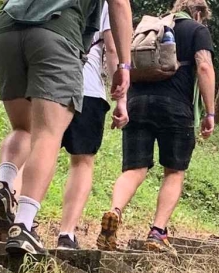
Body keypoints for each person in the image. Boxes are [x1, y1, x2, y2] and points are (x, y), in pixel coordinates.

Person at [0, 0, 133, 264]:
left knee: (23, 128)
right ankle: (22, 225)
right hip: (57, 34)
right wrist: (124, 66)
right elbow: (119, 4)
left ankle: (3, 182)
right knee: (47, 134)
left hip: (6, 31)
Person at [96, 0, 216, 254]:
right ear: (198, 12)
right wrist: (210, 112)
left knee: (134, 168)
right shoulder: (196, 29)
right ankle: (157, 232)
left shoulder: (150, 27)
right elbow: (204, 66)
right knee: (174, 172)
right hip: (175, 107)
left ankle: (115, 210)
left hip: (138, 102)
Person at [54, 2, 128, 249]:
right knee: (82, 162)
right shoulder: (105, 3)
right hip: (88, 90)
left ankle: (22, 221)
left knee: (39, 147)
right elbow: (112, 47)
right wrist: (121, 98)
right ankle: (66, 234)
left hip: (49, 79)